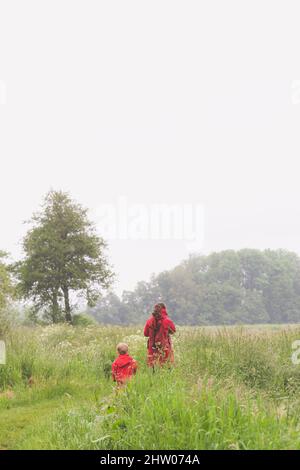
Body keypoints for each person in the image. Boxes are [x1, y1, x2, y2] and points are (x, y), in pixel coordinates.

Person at [144, 303, 176, 367]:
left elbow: (145, 334)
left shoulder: (149, 321)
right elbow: (173, 331)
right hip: (165, 348)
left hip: (152, 349)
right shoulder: (168, 321)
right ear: (164, 309)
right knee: (166, 367)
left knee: (153, 368)